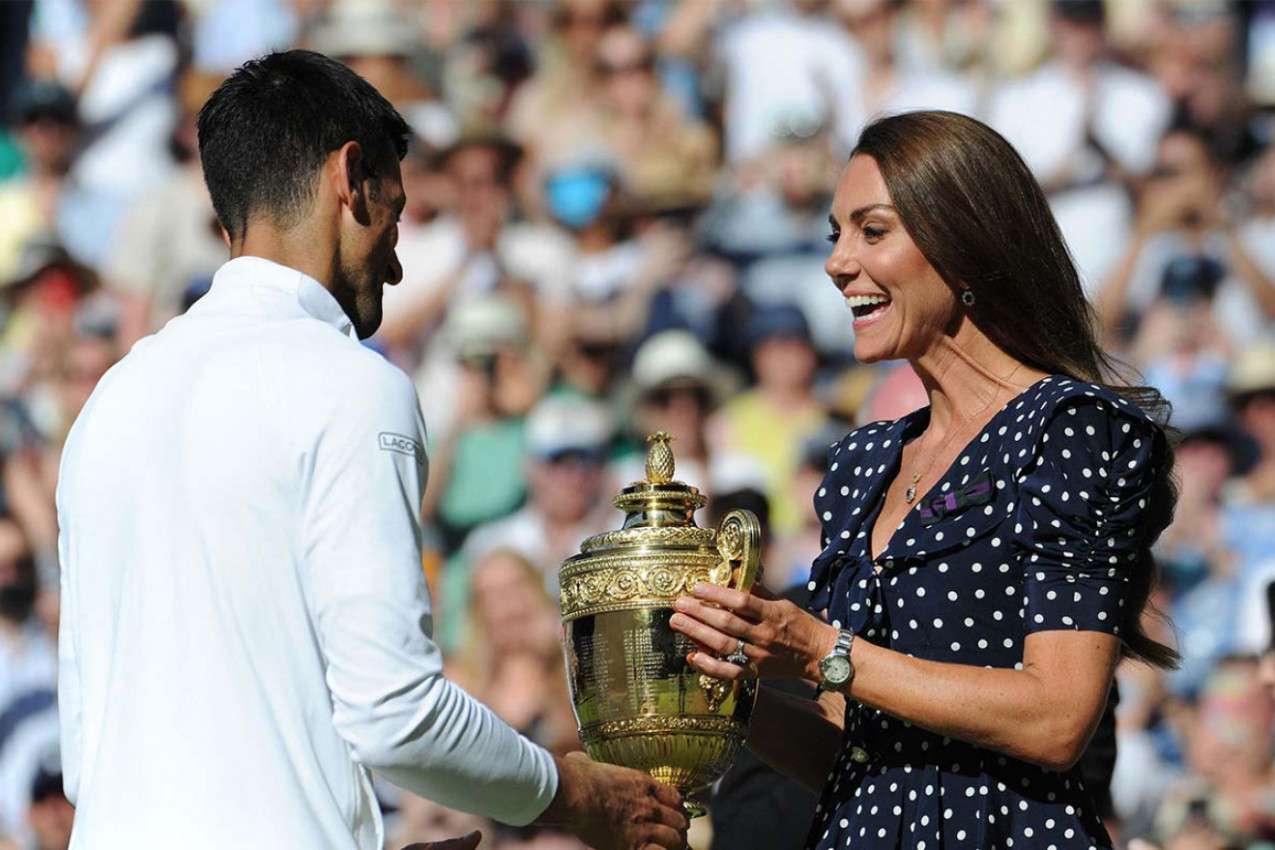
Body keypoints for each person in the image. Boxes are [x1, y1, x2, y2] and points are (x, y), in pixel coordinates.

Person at [55, 50, 687, 850]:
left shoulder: (107, 403)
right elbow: (396, 714)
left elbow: (92, 757)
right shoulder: (352, 384)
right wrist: (575, 794)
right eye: (395, 210)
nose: (395, 260)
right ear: (351, 178)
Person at [670, 110, 1180, 850]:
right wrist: (729, 691)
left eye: (871, 231)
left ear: (964, 242)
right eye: (834, 235)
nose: (836, 262)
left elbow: (1056, 718)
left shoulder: (1068, 428)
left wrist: (820, 650)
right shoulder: (863, 462)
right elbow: (855, 759)